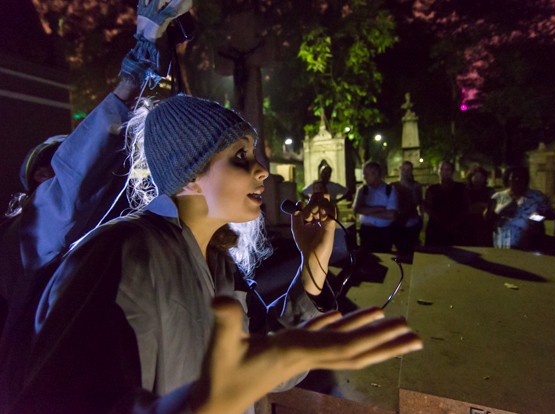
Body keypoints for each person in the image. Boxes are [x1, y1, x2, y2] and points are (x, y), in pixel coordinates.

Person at [13, 95, 422, 414]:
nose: (262, 170)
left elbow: (259, 370)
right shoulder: (121, 252)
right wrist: (199, 404)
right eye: (240, 157)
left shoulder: (218, 262)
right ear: (189, 175)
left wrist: (313, 259)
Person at [0, 0, 192, 409]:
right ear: (39, 176)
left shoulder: (108, 231)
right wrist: (134, 73)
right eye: (70, 154)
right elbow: (75, 178)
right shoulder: (28, 235)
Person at [488, 166, 555, 249]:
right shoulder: (498, 197)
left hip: (530, 241)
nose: (517, 180)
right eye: (514, 177)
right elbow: (490, 218)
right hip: (503, 241)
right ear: (507, 179)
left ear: (526, 179)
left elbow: (550, 215)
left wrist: (535, 217)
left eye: (521, 177)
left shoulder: (536, 196)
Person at [353, 161, 398, 253]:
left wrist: (366, 210)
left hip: (384, 233)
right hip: (366, 233)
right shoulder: (362, 190)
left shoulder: (389, 190)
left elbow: (391, 215)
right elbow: (356, 209)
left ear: (376, 174)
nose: (364, 177)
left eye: (366, 174)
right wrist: (380, 208)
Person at [424, 160, 469, 246]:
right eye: (442, 169)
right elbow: (428, 207)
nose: (444, 172)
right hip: (436, 228)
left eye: (447, 169)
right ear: (438, 171)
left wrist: (456, 222)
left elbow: (466, 206)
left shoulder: (461, 188)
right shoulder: (431, 189)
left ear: (452, 172)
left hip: (457, 227)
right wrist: (440, 221)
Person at [392, 161, 423, 261]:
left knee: (412, 251)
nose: (406, 172)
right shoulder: (392, 186)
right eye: (403, 169)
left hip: (412, 222)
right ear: (399, 170)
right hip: (398, 223)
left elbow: (419, 203)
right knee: (401, 251)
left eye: (408, 169)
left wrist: (420, 219)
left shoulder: (416, 186)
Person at [461, 165, 494, 246]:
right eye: (476, 176)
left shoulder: (489, 191)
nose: (478, 180)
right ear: (471, 177)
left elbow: (491, 207)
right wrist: (481, 206)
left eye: (481, 177)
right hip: (468, 225)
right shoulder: (465, 191)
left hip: (485, 225)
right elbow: (467, 208)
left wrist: (483, 206)